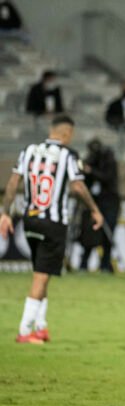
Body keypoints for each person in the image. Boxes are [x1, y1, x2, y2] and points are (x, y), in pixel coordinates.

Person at [0, 115, 104, 344]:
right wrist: (95, 210)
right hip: (53, 223)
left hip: (29, 221)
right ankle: (24, 331)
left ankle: (41, 326)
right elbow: (78, 186)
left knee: (42, 272)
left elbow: (13, 182)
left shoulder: (28, 151)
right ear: (67, 133)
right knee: (41, 277)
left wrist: (5, 213)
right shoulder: (68, 155)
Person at [79, 138, 120, 272]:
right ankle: (83, 264)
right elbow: (85, 182)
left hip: (109, 201)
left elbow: (107, 178)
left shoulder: (109, 161)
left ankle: (105, 265)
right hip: (94, 201)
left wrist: (91, 171)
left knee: (108, 233)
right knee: (89, 232)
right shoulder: (90, 160)